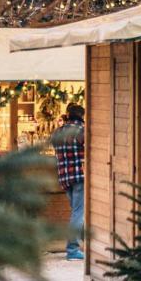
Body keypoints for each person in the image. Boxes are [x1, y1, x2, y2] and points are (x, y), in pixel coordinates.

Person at [50, 104, 87, 261]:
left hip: (64, 177)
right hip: (80, 175)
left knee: (76, 212)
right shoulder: (82, 131)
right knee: (78, 213)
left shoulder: (57, 132)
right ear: (82, 115)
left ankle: (82, 245)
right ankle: (72, 249)